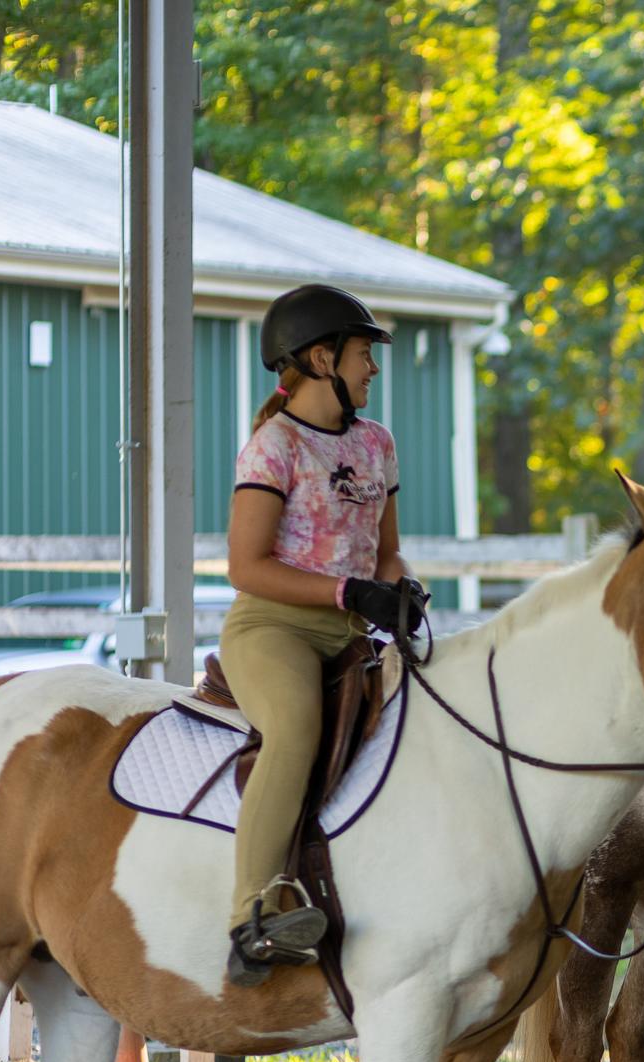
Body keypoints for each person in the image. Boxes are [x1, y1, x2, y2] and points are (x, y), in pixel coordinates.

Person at [221, 284, 427, 986]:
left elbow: (386, 550)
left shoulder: (378, 444)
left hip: (352, 627)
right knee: (296, 725)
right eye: (365, 353)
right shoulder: (272, 447)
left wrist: (399, 591)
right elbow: (246, 567)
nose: (374, 368)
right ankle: (249, 917)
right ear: (320, 358)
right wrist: (347, 590)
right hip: (272, 628)